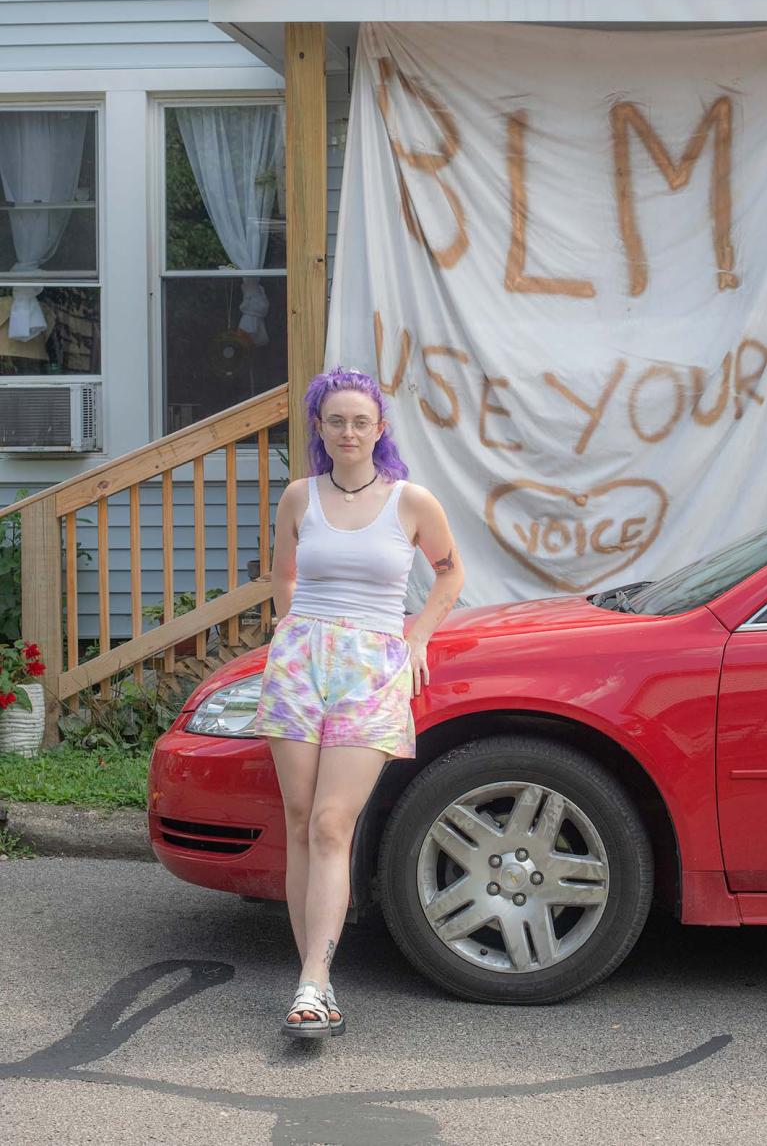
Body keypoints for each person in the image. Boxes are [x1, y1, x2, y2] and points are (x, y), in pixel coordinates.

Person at [253, 366, 464, 1039]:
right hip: (299, 667)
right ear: (319, 427)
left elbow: (450, 570)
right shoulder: (298, 498)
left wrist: (419, 634)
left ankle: (315, 979)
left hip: (372, 666)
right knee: (297, 818)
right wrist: (290, 627)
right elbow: (282, 574)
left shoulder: (411, 501)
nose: (349, 431)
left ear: (380, 429)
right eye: (336, 420)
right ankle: (313, 979)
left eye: (360, 421)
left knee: (331, 824)